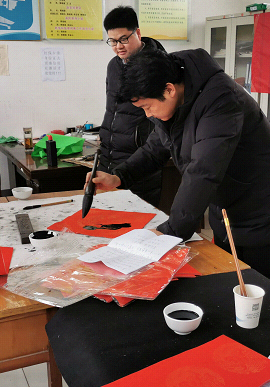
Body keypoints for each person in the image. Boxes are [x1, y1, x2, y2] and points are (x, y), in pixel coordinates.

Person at [88, 48, 270, 277]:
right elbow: (155, 148)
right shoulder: (176, 100)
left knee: (258, 291)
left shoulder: (221, 100)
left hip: (258, 214)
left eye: (147, 106)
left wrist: (170, 232)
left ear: (169, 89)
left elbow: (203, 170)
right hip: (227, 210)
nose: (148, 115)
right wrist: (119, 176)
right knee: (230, 283)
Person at [98, 6, 164, 208]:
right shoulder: (114, 65)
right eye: (112, 41)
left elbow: (160, 118)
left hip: (139, 159)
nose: (118, 46)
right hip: (108, 157)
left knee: (138, 225)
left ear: (138, 33)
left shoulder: (156, 66)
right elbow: (113, 110)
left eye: (124, 39)